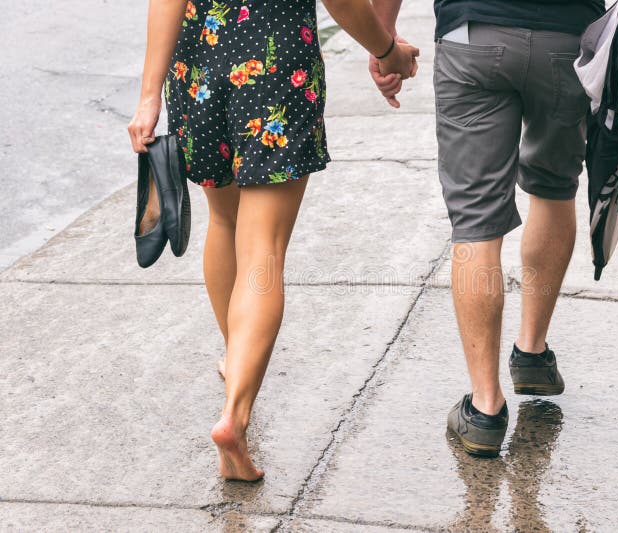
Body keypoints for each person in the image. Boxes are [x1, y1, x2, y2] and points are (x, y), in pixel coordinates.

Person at [128, 0, 419, 481]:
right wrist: (386, 50)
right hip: (276, 60)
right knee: (263, 245)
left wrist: (148, 96)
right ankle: (234, 417)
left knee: (223, 223)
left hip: (198, 63)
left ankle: (236, 357)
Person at [369, 0, 618, 457]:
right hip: (567, 38)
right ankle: (531, 353)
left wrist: (383, 40)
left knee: (476, 220)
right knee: (553, 187)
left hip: (472, 36)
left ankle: (484, 407)